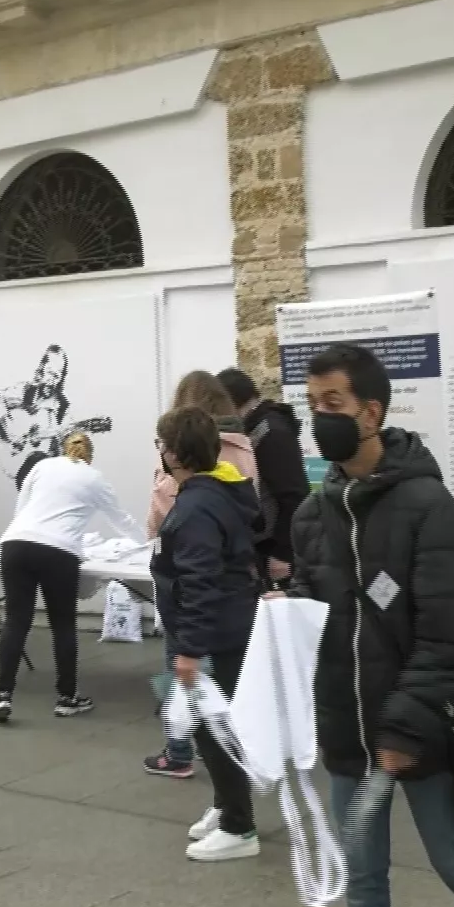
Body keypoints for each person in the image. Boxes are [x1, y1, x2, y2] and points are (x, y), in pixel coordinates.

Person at [284, 343, 454, 907]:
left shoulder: (429, 506)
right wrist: (284, 615)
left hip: (419, 732)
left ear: (371, 412)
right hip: (346, 735)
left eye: (333, 402)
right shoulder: (313, 515)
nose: (320, 418)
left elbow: (452, 636)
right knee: (362, 876)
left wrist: (404, 731)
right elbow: (315, 616)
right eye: (312, 405)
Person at [152, 406, 262, 862]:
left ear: (176, 452)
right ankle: (225, 805)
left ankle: (239, 827)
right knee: (216, 724)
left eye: (161, 444)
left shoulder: (196, 505)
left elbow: (200, 580)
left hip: (212, 633)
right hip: (227, 625)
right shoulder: (218, 491)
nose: (159, 451)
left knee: (212, 728)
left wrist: (190, 649)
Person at [141, 371, 259, 779]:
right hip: (235, 588)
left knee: (186, 670)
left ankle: (182, 753)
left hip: (195, 591)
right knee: (223, 686)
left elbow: (166, 524)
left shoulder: (190, 496)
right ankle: (225, 770)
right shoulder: (243, 450)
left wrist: (189, 649)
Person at [0, 431, 144, 724]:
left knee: (16, 620)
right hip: (59, 552)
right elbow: (121, 519)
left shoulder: (41, 466)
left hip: (16, 544)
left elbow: (21, 510)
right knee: (62, 624)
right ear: (90, 455)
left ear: (63, 449)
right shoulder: (94, 477)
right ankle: (67, 698)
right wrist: (148, 544)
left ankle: (2, 695)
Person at [217, 367, 309, 587]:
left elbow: (294, 496)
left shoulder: (271, 432)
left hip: (275, 548)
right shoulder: (256, 427)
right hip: (264, 545)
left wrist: (283, 553)